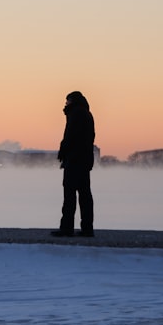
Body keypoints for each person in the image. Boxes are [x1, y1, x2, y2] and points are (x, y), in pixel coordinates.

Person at [52, 91, 96, 237]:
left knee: (69, 194)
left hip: (75, 160)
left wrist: (63, 152)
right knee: (85, 194)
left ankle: (66, 228)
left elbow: (70, 137)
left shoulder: (76, 114)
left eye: (67, 101)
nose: (65, 104)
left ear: (73, 101)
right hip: (84, 160)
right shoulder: (86, 114)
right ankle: (87, 228)